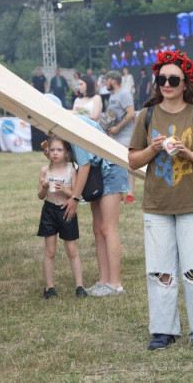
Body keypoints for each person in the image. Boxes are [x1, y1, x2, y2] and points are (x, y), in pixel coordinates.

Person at [128, 49, 193, 351]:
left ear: (185, 83)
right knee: (161, 272)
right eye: (162, 79)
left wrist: (188, 153)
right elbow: (132, 160)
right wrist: (153, 149)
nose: (167, 84)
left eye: (173, 79)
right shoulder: (146, 116)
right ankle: (163, 330)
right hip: (157, 205)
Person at [61, 115, 129, 297]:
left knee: (107, 228)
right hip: (99, 173)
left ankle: (115, 284)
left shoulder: (71, 125)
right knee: (97, 229)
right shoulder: (66, 125)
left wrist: (75, 198)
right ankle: (103, 281)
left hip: (111, 170)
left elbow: (84, 166)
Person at [37, 135, 87, 299]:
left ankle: (80, 285)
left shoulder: (71, 171)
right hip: (49, 211)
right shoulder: (45, 170)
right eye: (52, 150)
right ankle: (49, 287)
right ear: (48, 152)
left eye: (59, 150)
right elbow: (40, 195)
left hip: (66, 211)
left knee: (72, 250)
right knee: (50, 251)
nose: (55, 153)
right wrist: (44, 187)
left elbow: (76, 194)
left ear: (66, 152)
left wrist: (65, 190)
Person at [105, 70, 136, 204]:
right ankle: (119, 192)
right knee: (116, 165)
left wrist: (118, 128)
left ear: (113, 80)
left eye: (106, 80)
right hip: (114, 136)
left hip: (125, 136)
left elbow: (131, 113)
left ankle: (130, 194)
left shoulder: (124, 94)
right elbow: (112, 114)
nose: (105, 83)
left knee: (128, 164)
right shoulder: (112, 95)